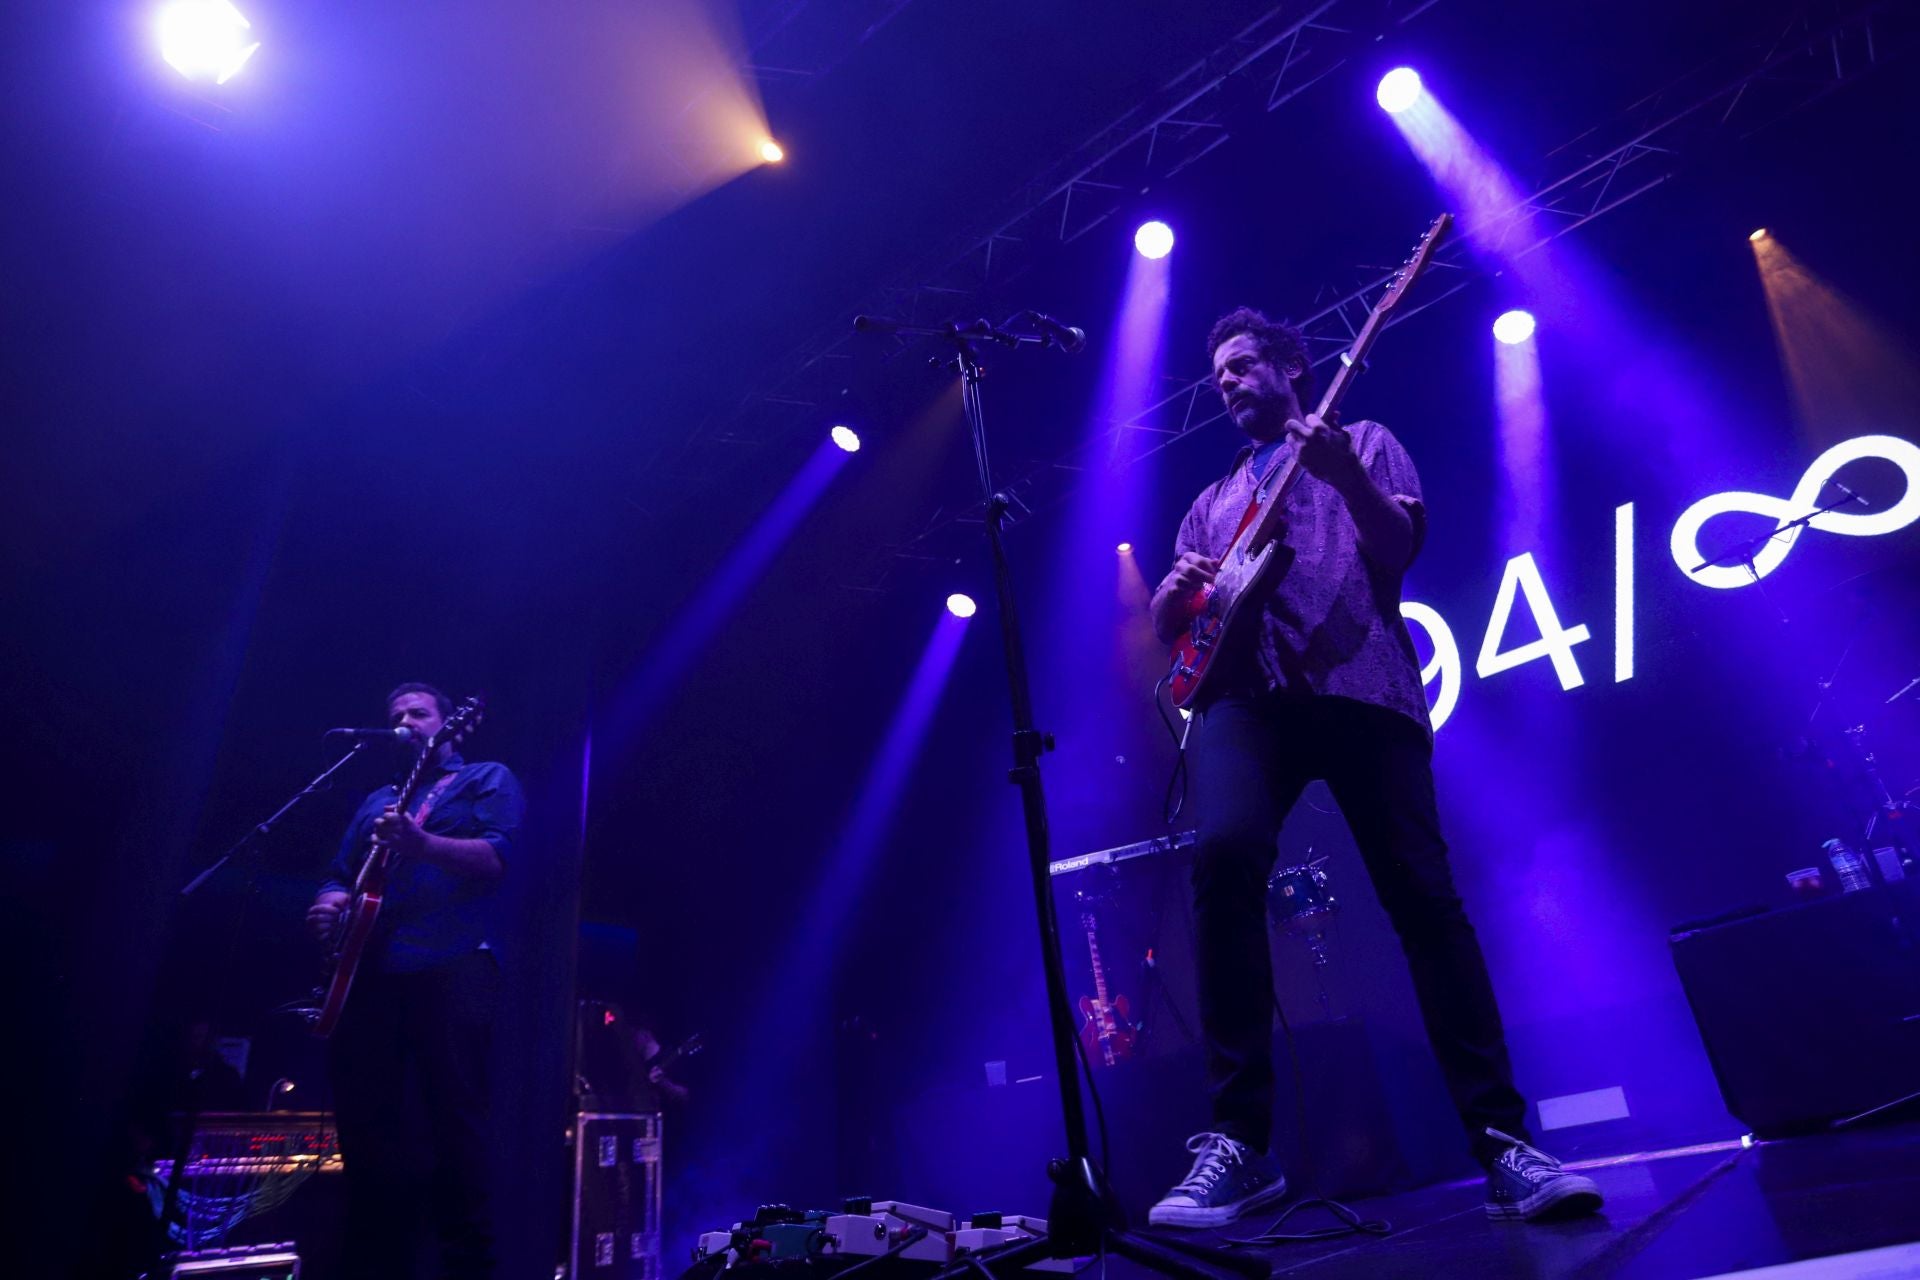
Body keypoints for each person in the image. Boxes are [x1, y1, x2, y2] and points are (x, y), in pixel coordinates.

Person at [1144, 309, 1601, 1227]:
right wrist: (1169, 602)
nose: (1227, 384)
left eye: (1242, 367)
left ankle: (1503, 1143)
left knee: (1422, 900)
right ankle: (1240, 1144)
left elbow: (1395, 551)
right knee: (1224, 855)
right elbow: (1184, 635)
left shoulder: (1367, 440)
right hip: (1245, 703)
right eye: (1219, 375)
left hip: (1361, 687)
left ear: (1292, 366)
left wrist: (1344, 474)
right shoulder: (1211, 499)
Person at [306, 682, 524, 1278]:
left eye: (418, 712)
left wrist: (422, 842)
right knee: (367, 1125)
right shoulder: (379, 796)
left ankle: (468, 1267)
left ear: (449, 724)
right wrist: (328, 903)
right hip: (373, 970)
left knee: (453, 1120)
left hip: (452, 962)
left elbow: (498, 858)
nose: (405, 719)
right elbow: (338, 871)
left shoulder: (487, 777)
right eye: (396, 714)